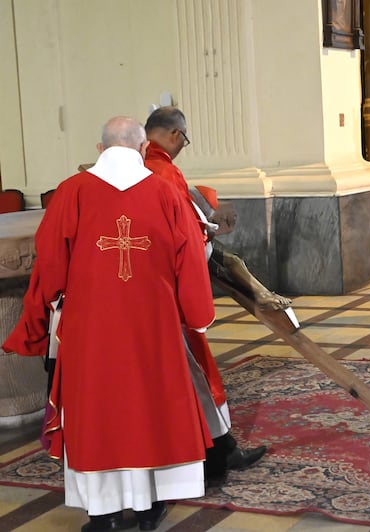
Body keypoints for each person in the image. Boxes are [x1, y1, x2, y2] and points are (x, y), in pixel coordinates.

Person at [2, 116, 215, 531]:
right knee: (150, 408)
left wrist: (37, 318)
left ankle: (103, 514)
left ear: (100, 151)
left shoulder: (71, 192)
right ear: (140, 151)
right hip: (154, 326)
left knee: (99, 411)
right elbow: (189, 258)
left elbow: (49, 264)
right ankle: (150, 504)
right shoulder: (165, 192)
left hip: (90, 330)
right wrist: (197, 316)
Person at [143, 106, 290, 481]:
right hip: (171, 294)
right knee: (196, 375)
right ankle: (216, 457)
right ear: (175, 135)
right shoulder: (162, 172)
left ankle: (211, 455)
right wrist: (205, 237)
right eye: (185, 139)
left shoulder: (135, 172)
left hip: (142, 300)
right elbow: (184, 234)